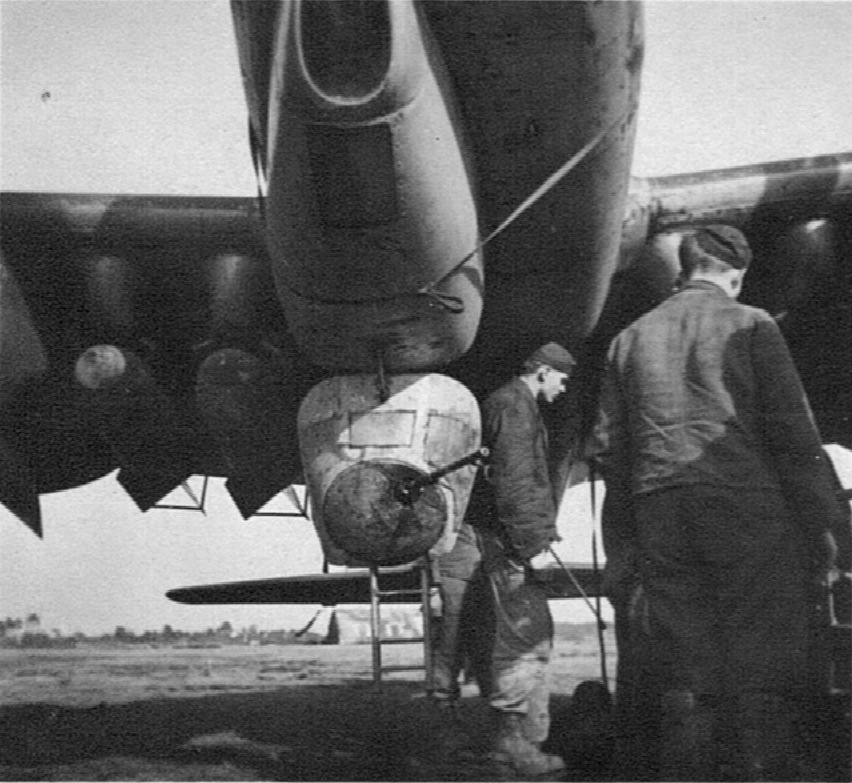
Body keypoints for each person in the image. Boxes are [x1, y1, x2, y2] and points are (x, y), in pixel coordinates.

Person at [589, 224, 842, 781]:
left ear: (683, 271)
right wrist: (824, 528)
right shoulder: (752, 324)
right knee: (758, 659)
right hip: (746, 512)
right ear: (737, 276)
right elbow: (793, 435)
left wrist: (625, 541)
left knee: (684, 663)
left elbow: (609, 450)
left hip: (659, 510)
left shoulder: (628, 338)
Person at [465, 341, 576, 778]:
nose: (564, 388)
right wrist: (532, 544)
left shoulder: (512, 403)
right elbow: (514, 480)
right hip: (514, 543)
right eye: (562, 378)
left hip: (508, 539)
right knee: (525, 637)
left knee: (527, 633)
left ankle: (519, 740)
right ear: (543, 371)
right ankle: (511, 744)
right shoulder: (514, 406)